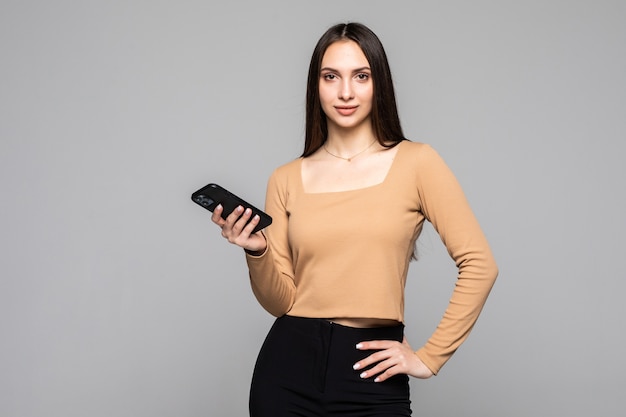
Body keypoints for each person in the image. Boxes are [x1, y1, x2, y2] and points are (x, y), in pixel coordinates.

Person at [211, 22, 498, 417]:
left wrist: (430, 357)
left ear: (378, 83)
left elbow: (480, 264)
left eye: (360, 76)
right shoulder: (286, 178)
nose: (346, 92)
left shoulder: (418, 163)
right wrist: (258, 251)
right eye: (331, 77)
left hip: (371, 373)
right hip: (286, 368)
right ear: (317, 86)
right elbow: (281, 302)